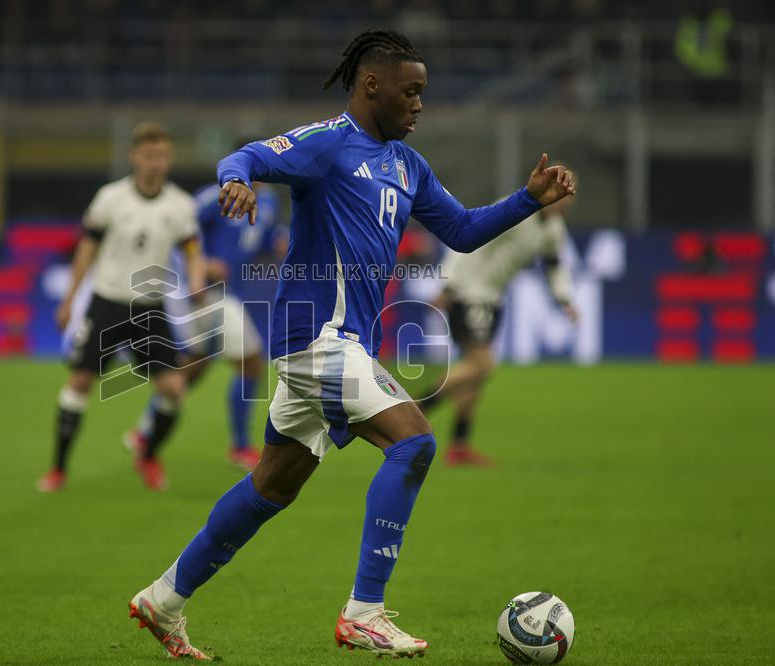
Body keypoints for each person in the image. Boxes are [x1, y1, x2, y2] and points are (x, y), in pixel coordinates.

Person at [127, 29, 575, 659]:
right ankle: (365, 611)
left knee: (272, 486)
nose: (419, 103)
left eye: (423, 92)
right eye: (410, 91)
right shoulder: (329, 145)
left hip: (341, 345)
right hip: (317, 340)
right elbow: (250, 156)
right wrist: (236, 181)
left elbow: (465, 231)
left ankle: (163, 599)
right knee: (415, 443)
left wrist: (528, 200)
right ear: (372, 85)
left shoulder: (407, 165)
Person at [37, 122, 205, 493]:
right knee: (79, 381)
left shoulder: (179, 206)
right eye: (148, 156)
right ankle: (58, 469)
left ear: (169, 158)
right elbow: (87, 249)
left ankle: (147, 455)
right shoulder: (110, 198)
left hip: (148, 309)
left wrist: (196, 278)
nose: (155, 163)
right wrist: (69, 299)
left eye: (161, 156)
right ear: (134, 157)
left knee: (174, 389)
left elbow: (191, 249)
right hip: (107, 303)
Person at [124, 173, 285, 472]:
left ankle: (145, 431)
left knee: (194, 365)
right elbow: (180, 233)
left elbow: (263, 241)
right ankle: (239, 446)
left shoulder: (270, 200)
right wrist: (203, 265)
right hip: (206, 292)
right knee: (251, 363)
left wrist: (278, 245)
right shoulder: (215, 196)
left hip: (229, 291)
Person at [418, 194, 579, 466]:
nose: (564, 201)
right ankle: (414, 408)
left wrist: (564, 298)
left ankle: (459, 446)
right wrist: (449, 285)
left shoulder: (554, 228)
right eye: (560, 193)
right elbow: (469, 238)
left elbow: (554, 265)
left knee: (475, 375)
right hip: (470, 292)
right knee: (483, 365)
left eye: (568, 196)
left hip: (492, 298)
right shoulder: (517, 212)